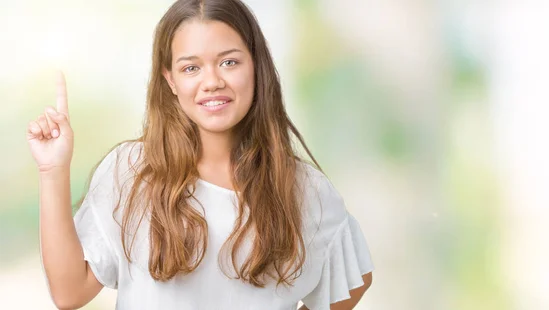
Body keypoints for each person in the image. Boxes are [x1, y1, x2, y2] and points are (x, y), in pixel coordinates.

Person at [26, 0, 373, 309]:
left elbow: (350, 283)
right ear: (170, 81)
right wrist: (52, 170)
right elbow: (69, 293)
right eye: (191, 68)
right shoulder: (130, 171)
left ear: (256, 66)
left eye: (229, 62)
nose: (211, 82)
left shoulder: (306, 190)